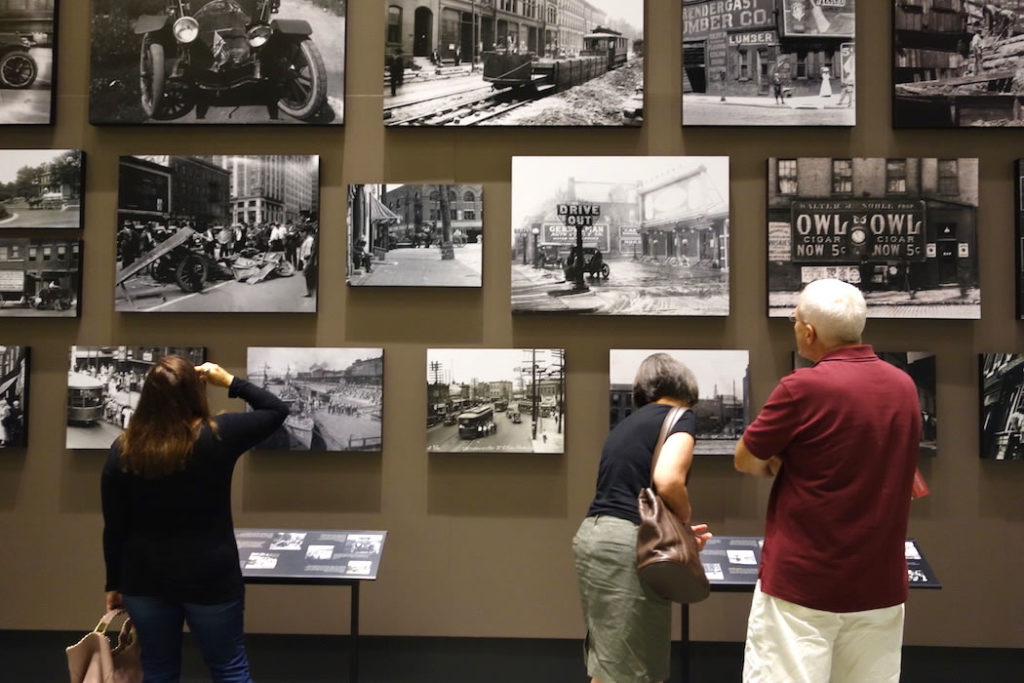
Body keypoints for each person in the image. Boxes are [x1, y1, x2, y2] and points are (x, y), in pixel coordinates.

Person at [734, 279, 921, 683]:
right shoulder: (904, 387)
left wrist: (777, 463)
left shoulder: (802, 388)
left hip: (803, 583)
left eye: (794, 319)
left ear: (808, 331)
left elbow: (747, 458)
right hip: (879, 583)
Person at [101, 357, 289, 682]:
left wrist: (113, 583)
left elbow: (115, 526)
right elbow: (276, 410)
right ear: (194, 392)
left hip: (144, 578)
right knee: (229, 668)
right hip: (210, 575)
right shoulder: (218, 436)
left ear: (147, 396)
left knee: (158, 669)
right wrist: (229, 380)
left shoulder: (123, 449)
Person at [572, 353, 711, 683]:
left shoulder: (627, 425)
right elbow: (668, 480)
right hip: (627, 545)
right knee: (633, 670)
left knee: (610, 664)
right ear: (685, 385)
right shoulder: (680, 416)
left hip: (594, 537)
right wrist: (684, 517)